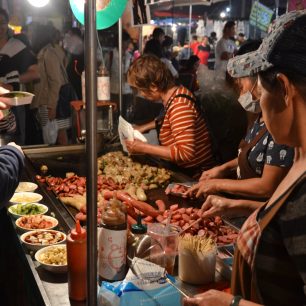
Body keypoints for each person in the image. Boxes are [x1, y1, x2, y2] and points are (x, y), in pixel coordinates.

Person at [184, 10, 306, 306]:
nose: (259, 105)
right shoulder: (300, 158)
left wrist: (231, 305)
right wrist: (236, 204)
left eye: (261, 91)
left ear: (285, 89)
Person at [187, 40, 294, 201]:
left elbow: (267, 187)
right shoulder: (259, 116)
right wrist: (223, 169)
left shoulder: (279, 126)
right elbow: (254, 157)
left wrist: (217, 184)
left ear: (258, 79)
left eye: (241, 83)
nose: (240, 91)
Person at [125, 54, 215, 177]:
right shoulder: (175, 93)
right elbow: (168, 119)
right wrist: (143, 127)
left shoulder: (180, 105)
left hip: (195, 175)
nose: (141, 94)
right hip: (186, 170)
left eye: (141, 89)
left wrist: (143, 148)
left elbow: (185, 153)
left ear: (153, 87)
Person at [0, 8, 39, 145]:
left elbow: (35, 72)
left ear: (7, 24)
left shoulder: (17, 47)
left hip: (13, 106)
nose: (0, 27)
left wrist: (13, 80)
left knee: (13, 142)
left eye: (3, 23)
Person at [31, 24, 70, 145]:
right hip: (50, 102)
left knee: (57, 139)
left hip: (50, 103)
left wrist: (52, 107)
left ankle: (65, 163)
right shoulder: (51, 50)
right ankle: (64, 163)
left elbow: (55, 81)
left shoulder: (47, 52)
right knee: (54, 138)